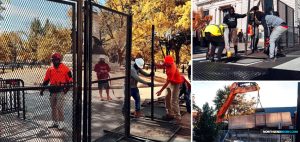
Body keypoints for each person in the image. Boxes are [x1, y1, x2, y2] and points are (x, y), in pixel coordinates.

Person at [40, 53, 73, 130]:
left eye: (55, 60)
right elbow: (46, 80)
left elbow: (70, 81)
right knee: (53, 107)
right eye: (53, 60)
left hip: (60, 91)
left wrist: (66, 90)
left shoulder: (65, 69)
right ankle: (55, 122)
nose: (54, 61)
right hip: (52, 91)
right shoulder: (50, 69)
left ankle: (61, 122)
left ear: (59, 60)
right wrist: (42, 90)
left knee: (59, 107)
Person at [156, 56, 183, 123]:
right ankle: (170, 114)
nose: (168, 64)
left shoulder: (172, 69)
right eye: (167, 63)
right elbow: (161, 66)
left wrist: (160, 91)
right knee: (167, 98)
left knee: (173, 101)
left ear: (171, 63)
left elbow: (166, 83)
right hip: (171, 82)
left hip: (176, 83)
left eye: (169, 63)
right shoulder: (167, 62)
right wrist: (154, 63)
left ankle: (178, 118)